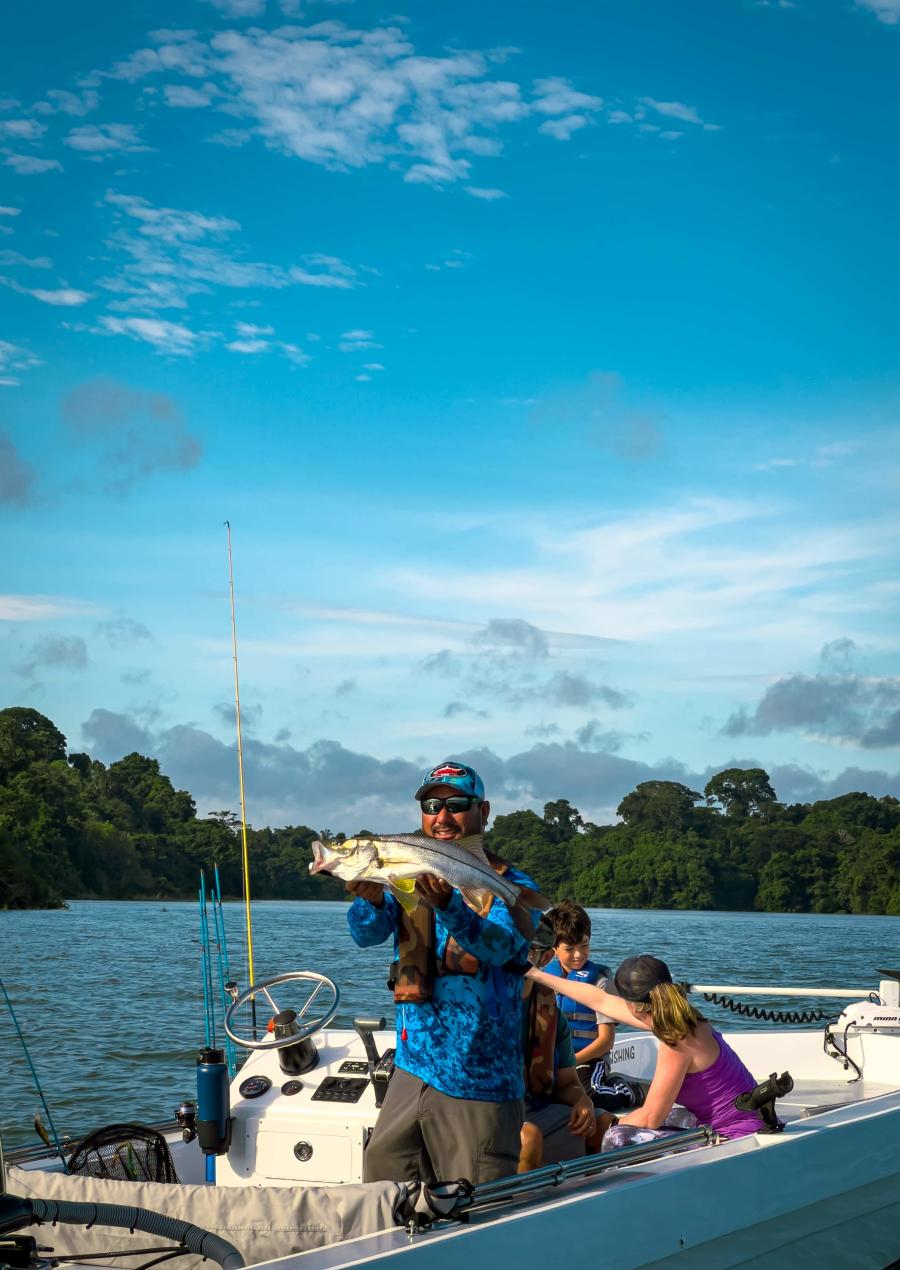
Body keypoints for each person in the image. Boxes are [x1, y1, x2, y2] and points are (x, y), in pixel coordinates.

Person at [346, 760, 542, 1186]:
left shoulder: (510, 883)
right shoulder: (406, 866)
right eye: (432, 805)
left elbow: (503, 947)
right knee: (384, 1191)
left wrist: (450, 907)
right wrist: (372, 902)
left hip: (479, 1081)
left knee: (473, 1207)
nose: (442, 816)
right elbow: (366, 935)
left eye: (456, 805)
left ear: (483, 812)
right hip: (412, 1068)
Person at [527, 954, 768, 1146]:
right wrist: (536, 974)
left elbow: (651, 1117)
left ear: (633, 1005)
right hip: (747, 1120)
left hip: (735, 1135)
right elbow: (599, 1000)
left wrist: (606, 1126)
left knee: (615, 1137)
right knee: (666, 1117)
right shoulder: (684, 1018)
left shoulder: (675, 1040)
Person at [518, 918, 610, 1172]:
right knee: (530, 1137)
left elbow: (567, 1081)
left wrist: (582, 1101)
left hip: (534, 1106)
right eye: (509, 945)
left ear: (545, 957)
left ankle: (588, 1200)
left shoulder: (549, 1015)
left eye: (526, 949)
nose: (514, 954)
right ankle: (521, 1207)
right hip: (492, 1111)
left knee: (604, 1126)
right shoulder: (481, 1005)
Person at [544, 901, 638, 1113]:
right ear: (554, 949)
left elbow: (606, 1041)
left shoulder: (599, 983)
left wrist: (571, 1062)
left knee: (589, 1095)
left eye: (584, 945)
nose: (578, 955)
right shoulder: (543, 979)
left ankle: (630, 1089)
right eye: (569, 948)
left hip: (588, 1059)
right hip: (553, 1060)